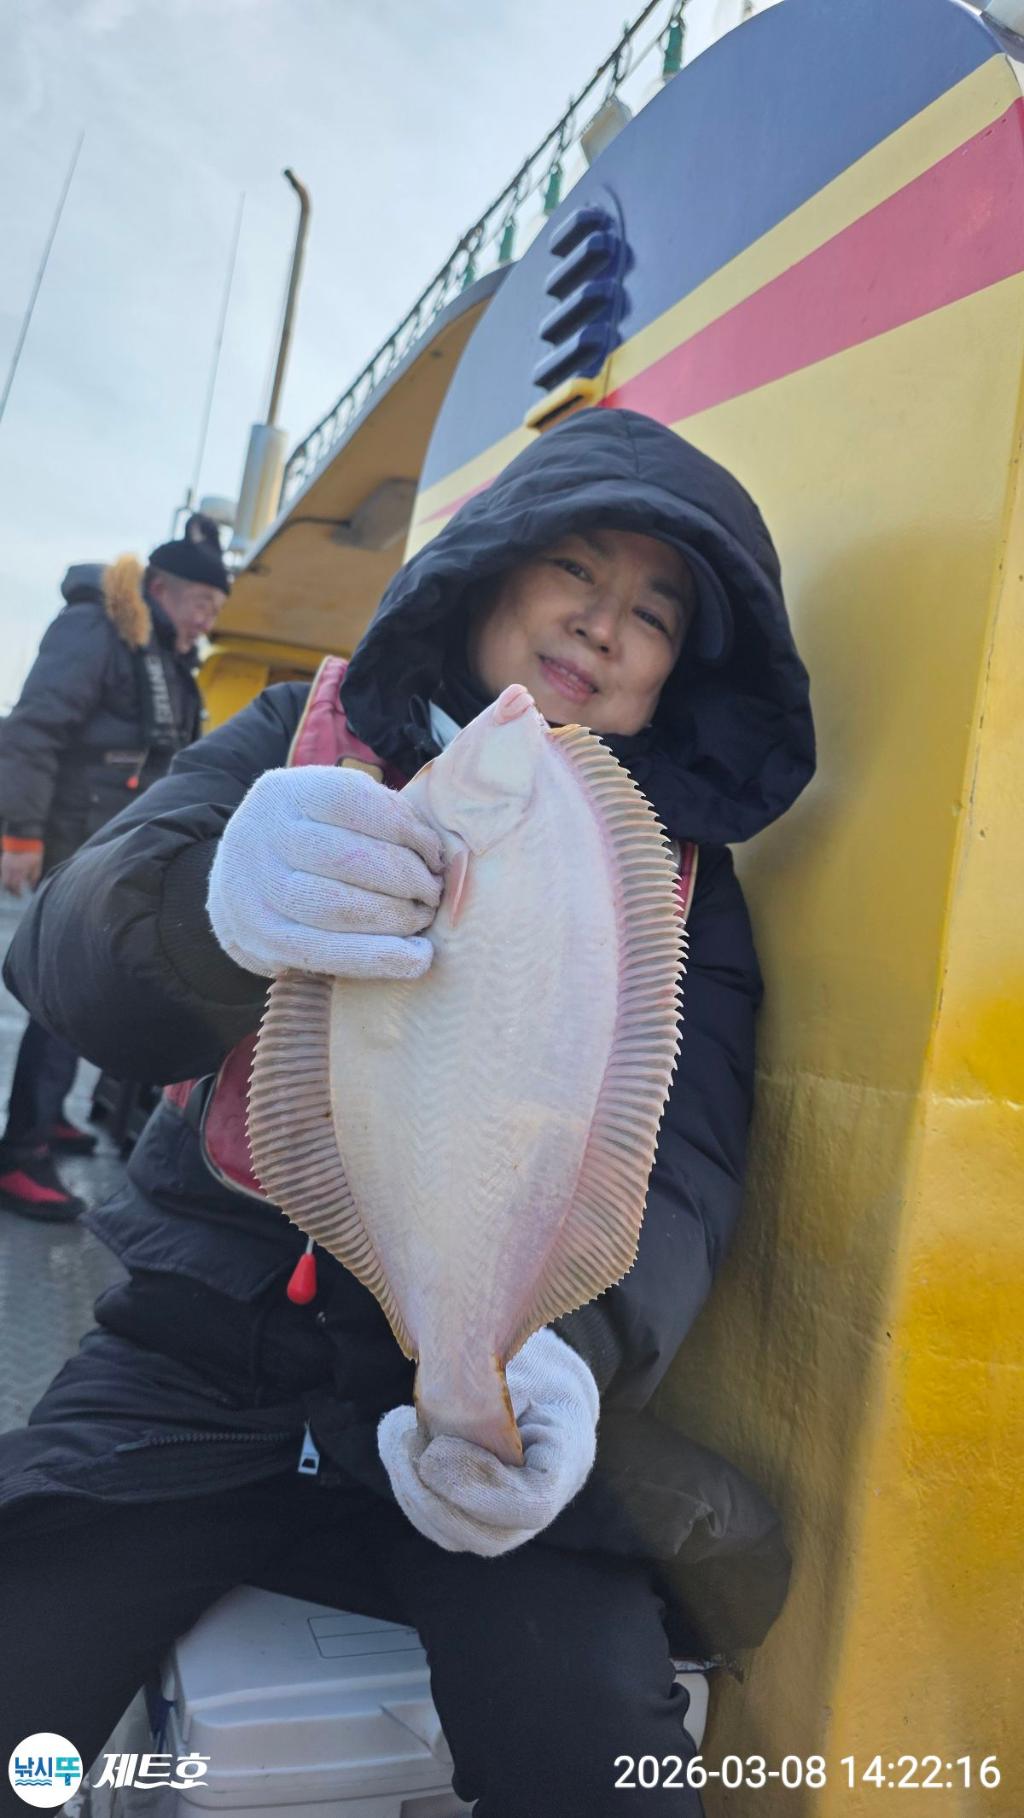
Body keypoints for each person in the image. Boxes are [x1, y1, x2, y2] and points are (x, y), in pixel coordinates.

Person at [0, 409, 814, 1817]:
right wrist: (212, 906)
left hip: (463, 1401)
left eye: (655, 614)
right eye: (575, 569)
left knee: (599, 1758)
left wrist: (568, 1358)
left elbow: (682, 1167)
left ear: (678, 671)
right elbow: (68, 952)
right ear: (490, 576)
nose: (603, 626)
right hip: (194, 1363)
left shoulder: (686, 899)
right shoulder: (295, 740)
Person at [0, 513, 229, 1221]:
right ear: (159, 587)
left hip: (111, 842)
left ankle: (44, 1121)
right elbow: (34, 728)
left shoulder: (167, 659)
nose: (206, 622)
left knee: (84, 987)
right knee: (63, 988)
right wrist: (19, 833)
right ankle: (22, 1155)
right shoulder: (97, 630)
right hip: (71, 835)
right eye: (202, 605)